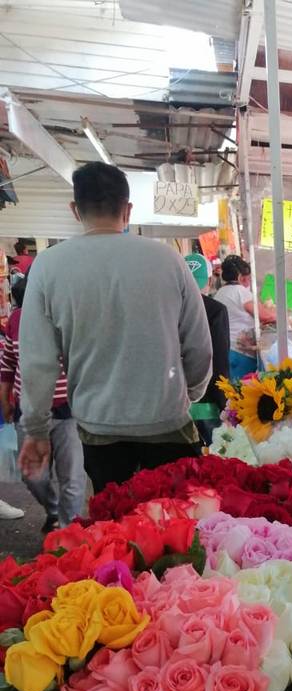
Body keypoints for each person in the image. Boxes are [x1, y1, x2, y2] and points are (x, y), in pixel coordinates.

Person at [17, 162, 212, 494]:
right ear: (128, 208)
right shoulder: (167, 260)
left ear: (75, 210)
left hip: (98, 428)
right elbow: (198, 346)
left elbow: (37, 361)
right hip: (166, 420)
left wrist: (36, 429)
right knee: (179, 528)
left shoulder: (48, 266)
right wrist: (189, 392)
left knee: (117, 529)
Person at [0, 279, 86, 530]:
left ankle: (69, 529)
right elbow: (7, 363)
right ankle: (54, 510)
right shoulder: (16, 320)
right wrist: (5, 398)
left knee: (72, 476)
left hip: (67, 410)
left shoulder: (66, 316)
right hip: (27, 410)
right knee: (33, 476)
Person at [183, 253, 230, 445]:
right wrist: (224, 403)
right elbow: (219, 359)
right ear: (209, 280)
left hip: (172, 407)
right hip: (207, 402)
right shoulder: (215, 309)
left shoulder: (169, 307)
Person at [215, 255, 265, 380]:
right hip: (241, 353)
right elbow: (264, 315)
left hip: (227, 350)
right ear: (240, 277)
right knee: (242, 393)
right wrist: (279, 313)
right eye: (248, 278)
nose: (248, 282)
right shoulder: (240, 292)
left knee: (231, 392)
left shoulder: (220, 292)